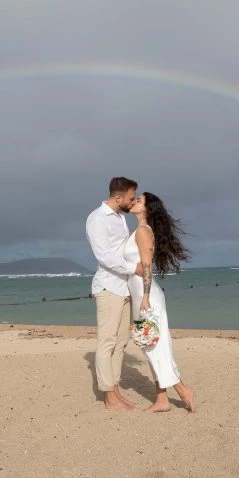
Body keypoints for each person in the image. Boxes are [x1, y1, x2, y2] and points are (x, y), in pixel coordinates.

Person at [126, 192, 196, 413]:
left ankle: (183, 390)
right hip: (141, 295)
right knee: (150, 346)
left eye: (139, 200)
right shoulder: (139, 231)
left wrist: (145, 297)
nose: (134, 201)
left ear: (148, 208)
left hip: (147, 297)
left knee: (155, 346)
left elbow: (147, 267)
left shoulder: (143, 232)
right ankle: (162, 400)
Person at [86, 176, 139, 411]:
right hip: (108, 287)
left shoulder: (119, 217)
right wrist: (133, 268)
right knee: (106, 342)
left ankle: (115, 389)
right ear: (118, 198)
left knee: (121, 342)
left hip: (124, 287)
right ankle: (109, 397)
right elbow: (104, 256)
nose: (133, 201)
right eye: (130, 197)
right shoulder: (97, 219)